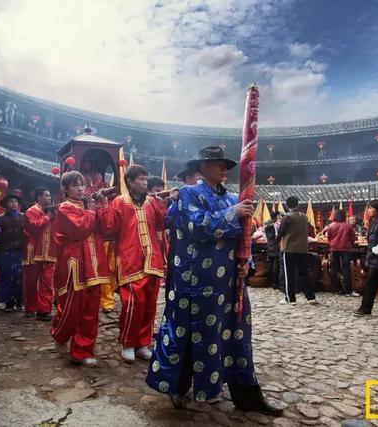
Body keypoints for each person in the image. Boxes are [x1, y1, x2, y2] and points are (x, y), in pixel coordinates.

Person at [146, 145, 282, 415]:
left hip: (230, 282)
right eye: (217, 164)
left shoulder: (234, 198)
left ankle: (247, 395)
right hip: (195, 281)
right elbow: (199, 227)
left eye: (224, 164)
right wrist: (233, 215)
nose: (223, 168)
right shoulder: (187, 194)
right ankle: (178, 386)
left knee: (236, 335)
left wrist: (247, 264)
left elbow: (243, 238)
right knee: (189, 335)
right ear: (202, 168)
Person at [97, 165, 166, 363]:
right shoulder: (120, 202)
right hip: (130, 259)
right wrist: (103, 206)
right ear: (129, 181)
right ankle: (128, 342)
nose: (145, 182)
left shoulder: (152, 202)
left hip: (152, 258)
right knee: (132, 303)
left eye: (146, 179)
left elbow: (161, 225)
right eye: (140, 179)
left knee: (150, 304)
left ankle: (143, 343)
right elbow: (109, 228)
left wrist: (163, 206)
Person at [50, 171, 111, 367]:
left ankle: (82, 351)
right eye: (75, 185)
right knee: (71, 309)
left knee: (90, 311)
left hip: (95, 265)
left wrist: (102, 205)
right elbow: (80, 229)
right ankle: (60, 333)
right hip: (75, 265)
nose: (80, 189)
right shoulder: (65, 208)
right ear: (65, 189)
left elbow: (106, 229)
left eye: (82, 185)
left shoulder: (88, 206)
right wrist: (92, 210)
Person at [22, 187, 58, 321]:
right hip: (33, 251)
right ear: (38, 198)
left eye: (50, 196)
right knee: (30, 282)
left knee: (48, 282)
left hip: (50, 252)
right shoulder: (31, 211)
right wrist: (48, 217)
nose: (49, 198)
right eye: (47, 196)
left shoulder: (52, 213)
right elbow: (36, 228)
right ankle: (30, 308)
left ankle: (44, 310)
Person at [277, 196, 318, 304]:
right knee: (304, 274)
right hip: (303, 249)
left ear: (287, 205)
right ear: (297, 204)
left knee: (289, 274)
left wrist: (275, 241)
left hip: (289, 249)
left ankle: (290, 298)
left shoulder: (287, 217)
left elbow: (281, 232)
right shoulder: (304, 217)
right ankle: (311, 297)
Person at [0, 194, 24, 312]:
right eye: (11, 202)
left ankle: (20, 300)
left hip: (20, 252)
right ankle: (8, 302)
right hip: (5, 252)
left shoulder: (24, 217)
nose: (14, 203)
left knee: (20, 277)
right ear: (5, 205)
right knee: (6, 277)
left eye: (15, 202)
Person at [326, 209, 358, 296]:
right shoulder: (348, 226)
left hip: (334, 249)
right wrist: (350, 244)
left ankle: (335, 289)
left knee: (334, 268)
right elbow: (352, 238)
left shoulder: (331, 225)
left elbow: (328, 238)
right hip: (346, 249)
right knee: (346, 268)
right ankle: (348, 291)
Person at [264, 214, 280, 288]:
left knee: (270, 265)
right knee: (275, 266)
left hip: (269, 246)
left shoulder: (266, 226)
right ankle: (274, 283)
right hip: (275, 247)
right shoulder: (275, 226)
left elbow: (265, 237)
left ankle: (269, 282)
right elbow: (277, 236)